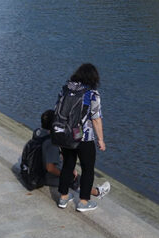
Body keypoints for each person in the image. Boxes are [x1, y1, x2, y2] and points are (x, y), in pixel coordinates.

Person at [57, 63, 108, 212]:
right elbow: (96, 118)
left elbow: (57, 110)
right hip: (84, 136)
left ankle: (63, 197)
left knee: (68, 164)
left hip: (67, 135)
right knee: (87, 168)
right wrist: (101, 140)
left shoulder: (66, 89)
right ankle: (84, 202)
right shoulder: (92, 93)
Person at [37, 110, 110, 200]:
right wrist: (64, 174)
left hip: (40, 170)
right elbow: (50, 168)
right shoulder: (51, 144)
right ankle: (97, 192)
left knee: (70, 171)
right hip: (47, 177)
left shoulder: (40, 134)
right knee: (75, 179)